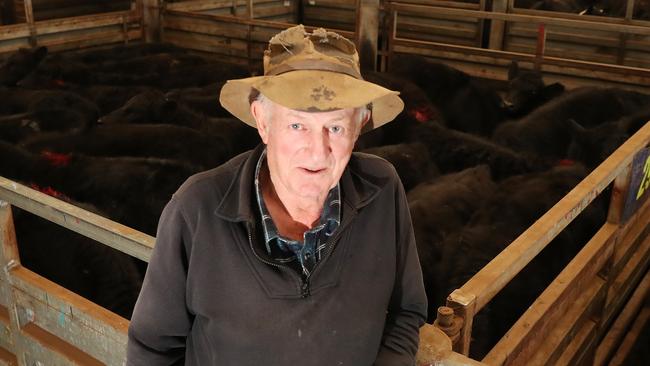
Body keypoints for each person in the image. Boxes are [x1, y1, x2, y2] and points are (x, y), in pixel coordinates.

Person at [127, 24, 427, 366]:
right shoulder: (196, 209)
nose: (318, 151)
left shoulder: (383, 189)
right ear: (263, 122)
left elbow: (408, 310)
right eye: (297, 125)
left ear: (360, 126)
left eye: (336, 127)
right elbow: (152, 349)